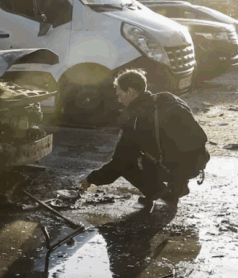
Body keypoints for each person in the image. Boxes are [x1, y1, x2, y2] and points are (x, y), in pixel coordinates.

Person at [80, 69, 209, 207]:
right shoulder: (167, 98)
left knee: (127, 163)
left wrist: (90, 178)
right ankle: (179, 187)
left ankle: (158, 192)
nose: (118, 99)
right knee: (160, 149)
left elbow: (118, 163)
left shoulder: (136, 119)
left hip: (179, 167)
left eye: (120, 95)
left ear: (130, 92)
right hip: (198, 162)